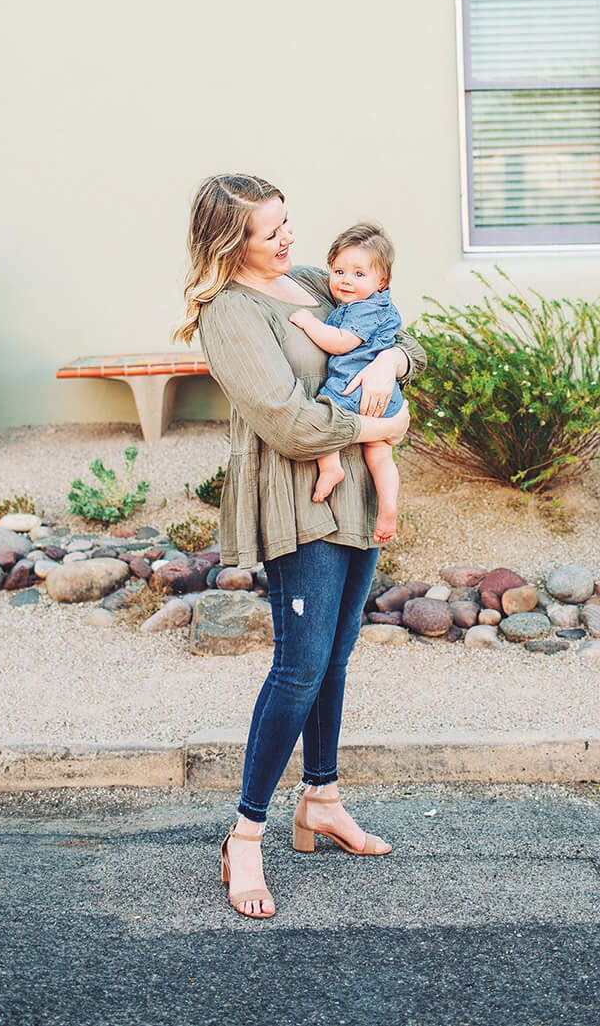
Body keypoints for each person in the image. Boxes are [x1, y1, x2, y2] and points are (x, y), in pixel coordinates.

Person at [174, 174, 418, 921]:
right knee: (300, 664)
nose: (287, 240)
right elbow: (287, 422)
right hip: (297, 502)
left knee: (336, 655)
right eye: (268, 231)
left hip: (356, 501)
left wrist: (391, 364)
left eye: (287, 223)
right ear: (229, 241)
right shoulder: (231, 315)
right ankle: (245, 834)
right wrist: (381, 429)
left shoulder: (311, 283)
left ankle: (322, 799)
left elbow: (397, 332)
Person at [289, 222, 405, 547]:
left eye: (358, 274)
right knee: (380, 456)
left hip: (352, 390)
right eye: (339, 271)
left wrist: (309, 322)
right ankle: (388, 506)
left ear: (382, 281)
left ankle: (330, 467)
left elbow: (340, 343)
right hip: (384, 396)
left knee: (323, 413)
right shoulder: (372, 303)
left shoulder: (365, 310)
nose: (345, 281)